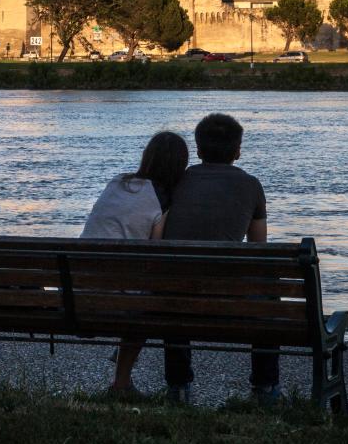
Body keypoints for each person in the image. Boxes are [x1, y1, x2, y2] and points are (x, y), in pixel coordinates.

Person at [162, 112, 280, 403]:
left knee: (175, 280)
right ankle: (264, 389)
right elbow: (258, 249)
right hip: (228, 300)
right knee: (269, 296)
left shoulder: (176, 181)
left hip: (172, 300)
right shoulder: (251, 186)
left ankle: (178, 387)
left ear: (199, 150)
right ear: (238, 151)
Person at [81, 131, 189, 394]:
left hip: (76, 290)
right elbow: (155, 254)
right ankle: (121, 382)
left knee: (134, 292)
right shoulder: (162, 200)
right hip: (115, 299)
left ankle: (123, 380)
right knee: (150, 298)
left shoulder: (117, 182)